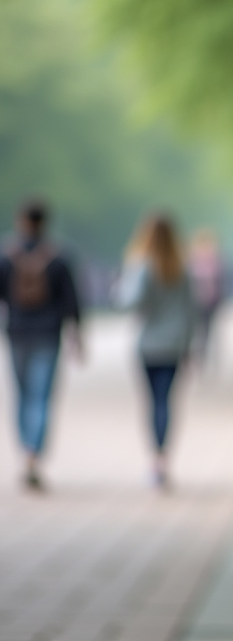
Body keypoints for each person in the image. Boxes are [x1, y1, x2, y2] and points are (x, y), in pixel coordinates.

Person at [0, 199, 83, 491]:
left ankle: (26, 449)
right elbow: (72, 300)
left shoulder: (6, 255)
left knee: (22, 395)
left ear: (21, 220)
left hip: (17, 332)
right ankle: (34, 454)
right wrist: (77, 334)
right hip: (49, 333)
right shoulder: (59, 257)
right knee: (42, 397)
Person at [114, 213, 193, 490]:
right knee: (165, 401)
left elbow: (129, 302)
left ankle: (155, 460)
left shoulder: (142, 266)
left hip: (148, 345)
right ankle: (163, 459)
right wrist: (190, 346)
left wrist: (118, 288)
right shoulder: (182, 269)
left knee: (151, 402)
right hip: (174, 344)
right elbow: (191, 310)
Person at [188, 228, 224, 366]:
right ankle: (202, 354)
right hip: (207, 300)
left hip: (202, 300)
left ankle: (201, 354)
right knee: (206, 330)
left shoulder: (192, 256)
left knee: (202, 329)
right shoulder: (213, 258)